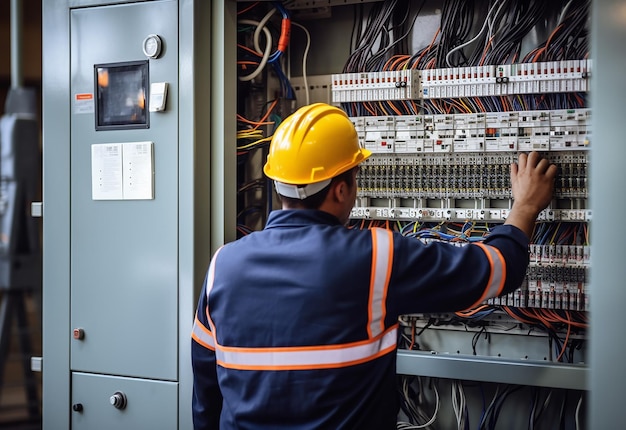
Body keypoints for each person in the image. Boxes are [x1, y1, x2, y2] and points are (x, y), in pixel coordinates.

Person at [191, 103, 557, 429]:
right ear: (340, 190)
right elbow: (498, 269)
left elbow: (206, 393)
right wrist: (524, 206)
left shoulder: (223, 265)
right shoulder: (376, 257)